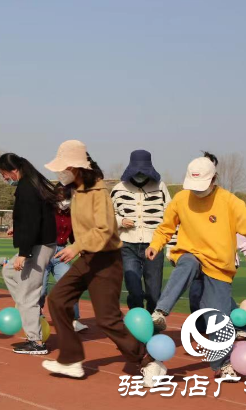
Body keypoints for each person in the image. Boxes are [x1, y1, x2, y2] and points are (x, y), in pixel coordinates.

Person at [42, 140, 166, 386]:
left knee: (107, 319)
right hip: (88, 259)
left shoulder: (98, 194)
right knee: (57, 300)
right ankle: (71, 359)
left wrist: (76, 246)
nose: (59, 173)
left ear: (76, 168)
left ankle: (149, 361)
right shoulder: (77, 192)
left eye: (62, 168)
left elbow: (105, 229)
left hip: (106, 262)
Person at [146, 152, 246, 380]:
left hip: (219, 266)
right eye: (193, 186)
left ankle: (222, 365)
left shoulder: (227, 200)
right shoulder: (180, 199)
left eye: (202, 186)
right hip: (191, 254)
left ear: (214, 180)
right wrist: (155, 245)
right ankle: (160, 312)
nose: (197, 191)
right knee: (186, 262)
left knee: (219, 321)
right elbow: (165, 228)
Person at [0, 153, 57, 355]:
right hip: (40, 243)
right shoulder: (33, 183)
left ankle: (36, 342)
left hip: (37, 247)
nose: (5, 178)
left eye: (4, 174)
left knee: (27, 295)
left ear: (14, 170)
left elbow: (32, 222)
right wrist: (18, 228)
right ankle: (30, 308)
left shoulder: (27, 187)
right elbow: (33, 219)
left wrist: (24, 253)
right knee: (8, 272)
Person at [111, 150, 172, 313]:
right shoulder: (119, 188)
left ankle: (154, 321)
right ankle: (137, 322)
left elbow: (171, 217)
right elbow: (108, 214)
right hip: (127, 245)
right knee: (134, 289)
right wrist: (120, 221)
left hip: (154, 244)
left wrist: (171, 248)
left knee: (154, 291)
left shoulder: (160, 187)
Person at [39, 184, 87, 332]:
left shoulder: (72, 214)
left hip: (61, 252)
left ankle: (73, 319)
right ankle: (36, 316)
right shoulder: (47, 211)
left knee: (71, 284)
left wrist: (78, 247)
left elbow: (74, 235)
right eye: (62, 198)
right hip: (43, 251)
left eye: (68, 198)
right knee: (40, 289)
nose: (65, 201)